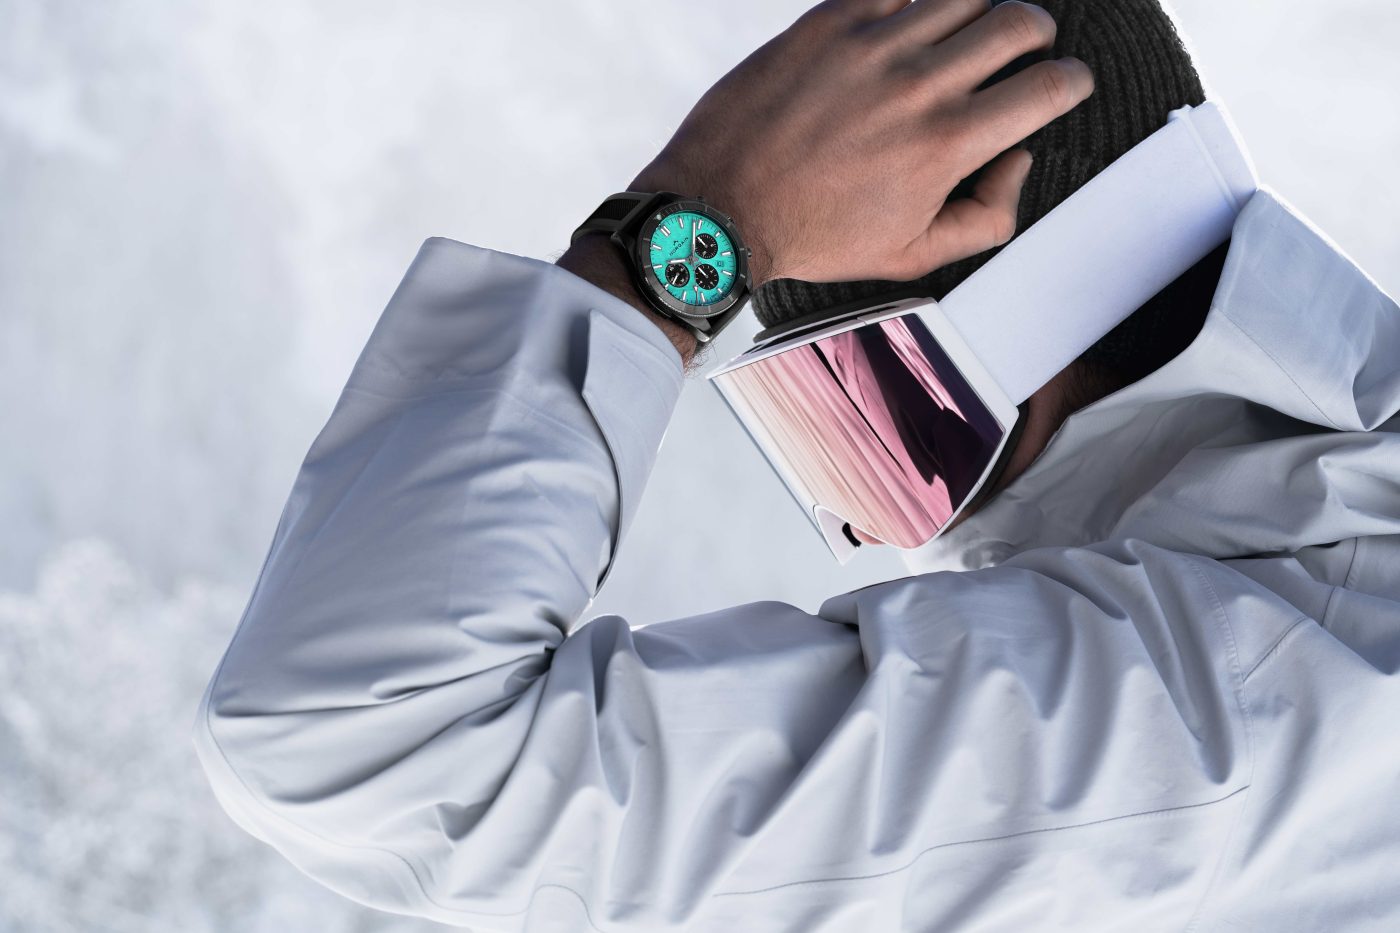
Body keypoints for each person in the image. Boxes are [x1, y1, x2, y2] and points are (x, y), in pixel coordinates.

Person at [194, 1, 1400, 931]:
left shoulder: (1226, 720)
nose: (874, 534)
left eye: (881, 411)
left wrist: (682, 235)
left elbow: (374, 751)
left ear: (1048, 326)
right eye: (816, 431)